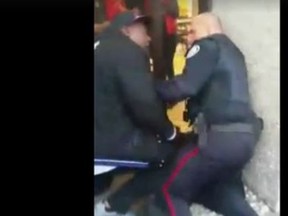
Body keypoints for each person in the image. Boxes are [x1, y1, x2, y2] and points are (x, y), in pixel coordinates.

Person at [105, 13, 263, 216]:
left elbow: (182, 87)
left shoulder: (207, 45)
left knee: (170, 192)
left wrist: (144, 89)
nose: (188, 39)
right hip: (244, 140)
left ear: (207, 28)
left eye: (192, 31)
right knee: (223, 192)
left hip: (218, 140)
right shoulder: (234, 52)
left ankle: (119, 203)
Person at [94, 10, 185, 211]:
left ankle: (100, 189)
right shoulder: (127, 51)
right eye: (144, 32)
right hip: (103, 145)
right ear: (126, 31)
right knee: (171, 156)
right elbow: (144, 105)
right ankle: (111, 206)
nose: (149, 38)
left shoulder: (100, 47)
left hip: (100, 136)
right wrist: (169, 133)